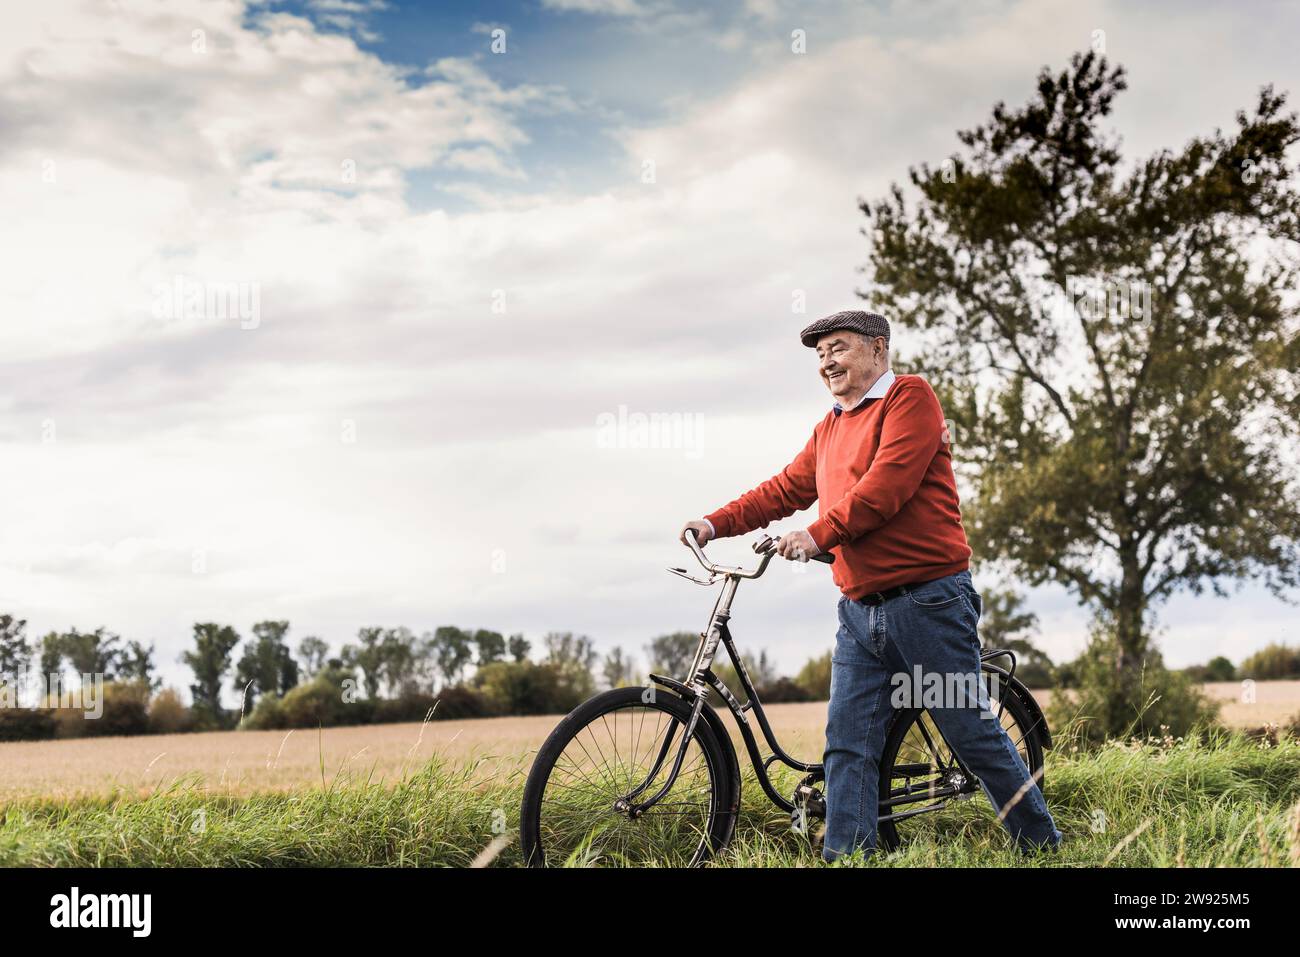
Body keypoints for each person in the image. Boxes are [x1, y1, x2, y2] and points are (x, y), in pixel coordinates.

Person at [679, 309, 1061, 861]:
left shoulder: (910, 398)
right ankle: (848, 858)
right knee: (848, 747)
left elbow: (886, 488)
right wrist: (715, 522)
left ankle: (1042, 846)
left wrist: (818, 534)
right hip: (859, 611)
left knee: (971, 734)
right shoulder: (831, 426)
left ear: (877, 349)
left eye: (838, 347)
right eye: (820, 354)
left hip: (927, 601)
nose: (827, 361)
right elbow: (783, 489)